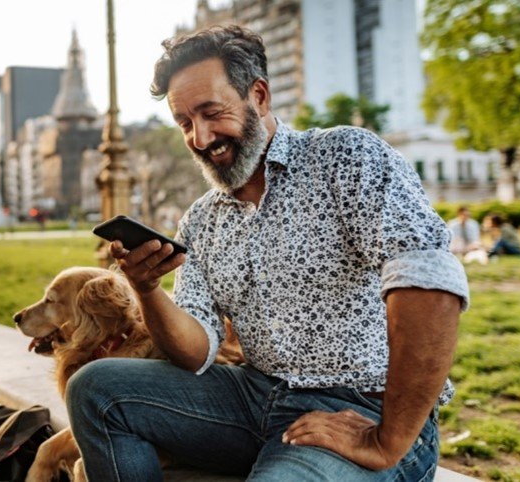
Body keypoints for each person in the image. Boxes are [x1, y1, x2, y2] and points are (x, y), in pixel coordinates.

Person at [66, 26, 468, 481]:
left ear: (258, 96)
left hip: (359, 408)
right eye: (184, 123)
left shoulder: (345, 157)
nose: (200, 137)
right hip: (252, 398)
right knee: (94, 389)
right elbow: (195, 352)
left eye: (211, 112)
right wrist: (147, 288)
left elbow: (430, 281)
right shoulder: (201, 219)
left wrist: (387, 440)